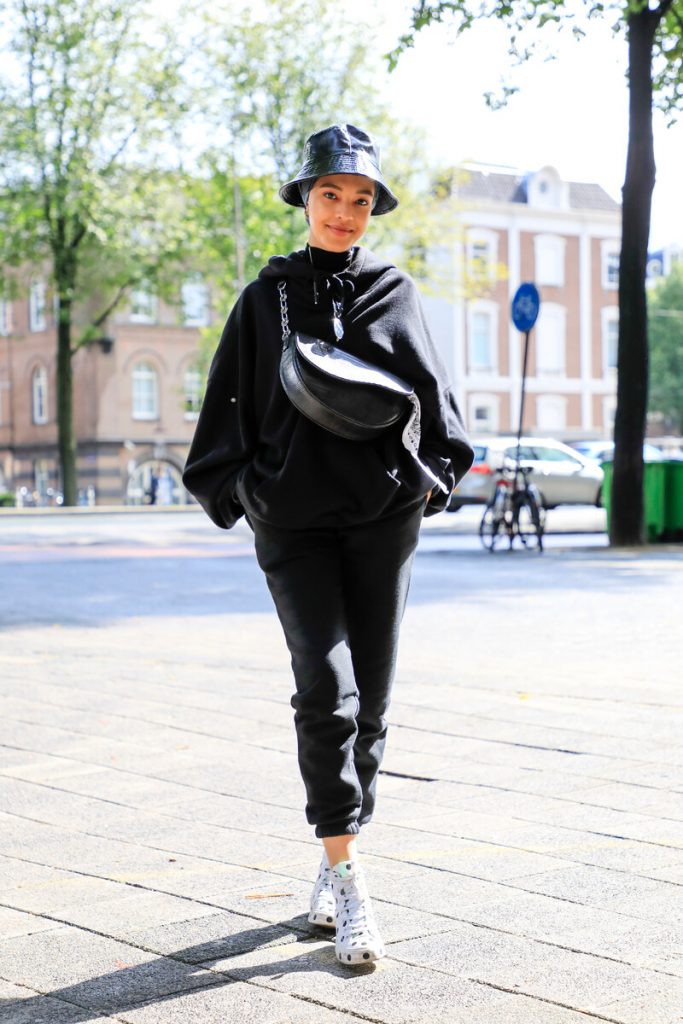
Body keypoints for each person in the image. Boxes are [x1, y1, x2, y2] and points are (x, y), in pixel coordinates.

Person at [183, 124, 473, 966]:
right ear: (304, 199)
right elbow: (224, 415)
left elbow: (435, 407)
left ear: (373, 208)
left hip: (382, 524)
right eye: (329, 194)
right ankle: (348, 881)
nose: (344, 211)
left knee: (370, 705)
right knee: (326, 691)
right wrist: (250, 492)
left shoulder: (393, 291)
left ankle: (332, 849)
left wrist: (426, 479)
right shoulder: (263, 298)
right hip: (293, 526)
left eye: (359, 199)